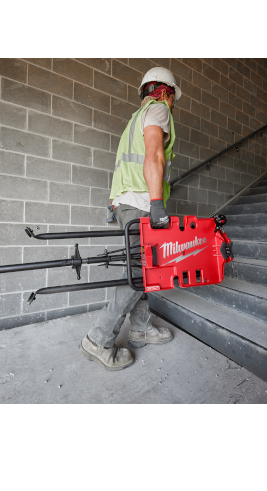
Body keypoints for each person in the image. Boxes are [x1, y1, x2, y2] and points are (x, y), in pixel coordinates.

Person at [79, 66, 182, 371]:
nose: (173, 104)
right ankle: (98, 339)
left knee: (142, 270)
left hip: (127, 202)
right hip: (141, 204)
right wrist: (157, 203)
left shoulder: (135, 119)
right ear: (166, 92)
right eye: (173, 98)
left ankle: (140, 327)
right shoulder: (159, 111)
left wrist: (116, 204)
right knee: (137, 274)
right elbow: (154, 155)